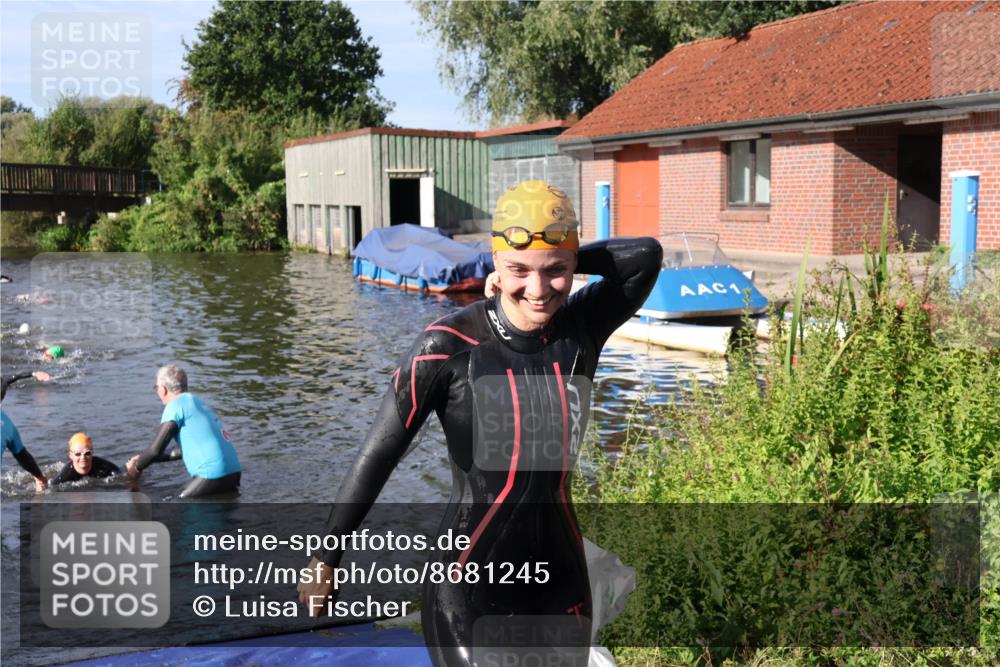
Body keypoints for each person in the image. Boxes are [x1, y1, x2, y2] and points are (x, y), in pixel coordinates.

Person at [297, 180, 662, 666]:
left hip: (560, 574)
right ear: (493, 262)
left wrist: (559, 254)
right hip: (467, 580)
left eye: (556, 271)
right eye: (518, 271)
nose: (537, 290)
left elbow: (645, 256)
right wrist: (326, 557)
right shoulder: (446, 345)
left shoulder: (582, 328)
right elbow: (379, 453)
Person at [126, 365, 241, 498]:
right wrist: (143, 459)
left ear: (163, 389)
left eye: (156, 388)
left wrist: (135, 469)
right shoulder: (197, 402)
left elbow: (154, 450)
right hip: (233, 473)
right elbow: (181, 452)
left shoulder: (175, 406)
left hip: (212, 474)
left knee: (177, 504)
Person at [1, 370, 51, 492]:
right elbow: (22, 455)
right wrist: (40, 477)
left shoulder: (7, 427)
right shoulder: (8, 426)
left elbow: (22, 456)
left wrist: (39, 477)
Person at [51, 432, 121, 485]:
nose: (83, 457)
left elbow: (121, 475)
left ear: (92, 453)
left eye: (87, 453)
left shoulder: (103, 466)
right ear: (71, 456)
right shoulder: (64, 477)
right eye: (78, 454)